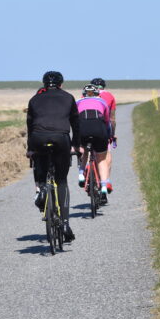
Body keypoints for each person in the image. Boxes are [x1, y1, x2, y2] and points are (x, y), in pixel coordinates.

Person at [26, 71, 79, 242]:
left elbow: (30, 125)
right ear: (61, 84)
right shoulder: (68, 97)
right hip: (60, 138)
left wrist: (30, 148)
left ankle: (41, 189)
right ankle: (64, 223)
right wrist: (76, 145)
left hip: (38, 138)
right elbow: (75, 124)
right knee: (61, 180)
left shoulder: (34, 99)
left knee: (40, 163)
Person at [76, 84, 111, 199]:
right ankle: (104, 186)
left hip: (83, 130)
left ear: (83, 94)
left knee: (85, 151)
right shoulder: (102, 102)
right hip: (99, 130)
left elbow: (74, 121)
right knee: (101, 159)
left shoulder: (78, 102)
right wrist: (109, 135)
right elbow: (107, 122)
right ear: (98, 94)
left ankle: (81, 174)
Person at [90, 77, 116, 194]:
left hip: (87, 127)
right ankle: (106, 180)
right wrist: (112, 135)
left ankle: (85, 169)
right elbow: (112, 119)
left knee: (86, 149)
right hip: (103, 127)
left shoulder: (86, 93)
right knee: (106, 154)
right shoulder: (110, 96)